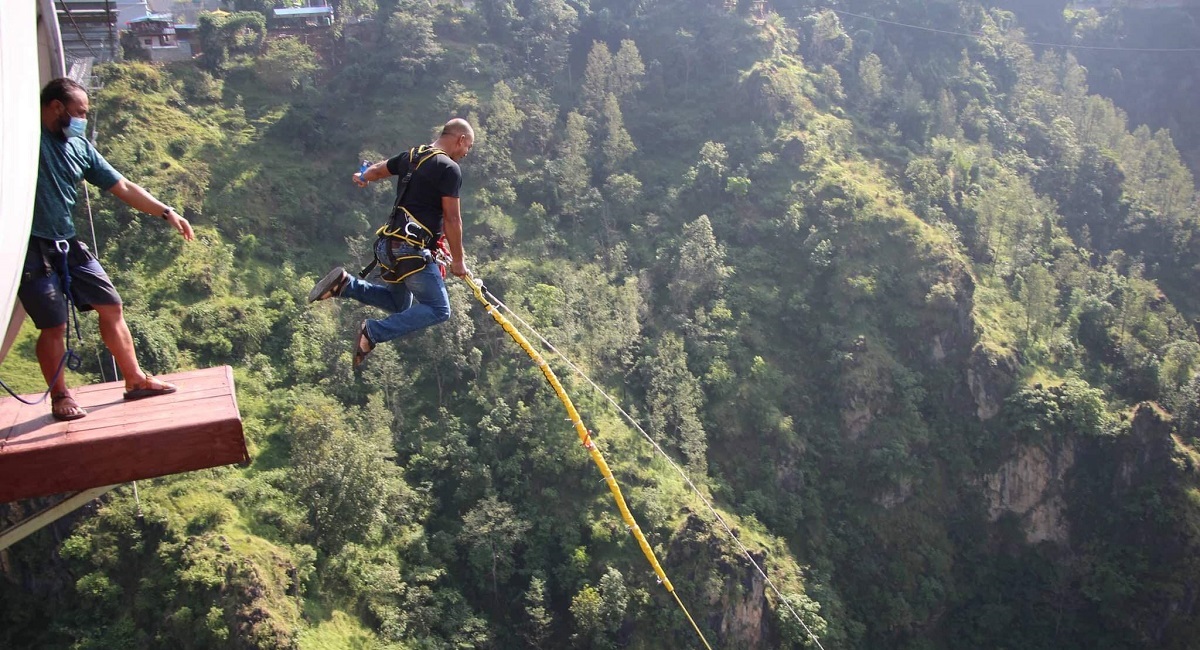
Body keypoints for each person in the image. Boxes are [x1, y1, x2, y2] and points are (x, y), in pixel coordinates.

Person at [20, 78, 195, 421]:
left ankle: (135, 380)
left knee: (111, 305)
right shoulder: (26, 136)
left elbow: (123, 186)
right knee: (53, 325)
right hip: (33, 245)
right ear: (56, 107)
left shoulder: (79, 147)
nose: (83, 118)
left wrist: (166, 211)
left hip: (66, 242)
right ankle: (60, 396)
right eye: (80, 112)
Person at [309, 119, 474, 367]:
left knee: (399, 303)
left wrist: (363, 176)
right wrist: (459, 262)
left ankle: (346, 284)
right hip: (412, 251)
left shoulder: (412, 155)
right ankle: (373, 332)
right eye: (467, 147)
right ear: (460, 139)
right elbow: (452, 218)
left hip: (389, 247)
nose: (465, 154)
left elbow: (378, 169)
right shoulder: (449, 168)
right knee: (440, 309)